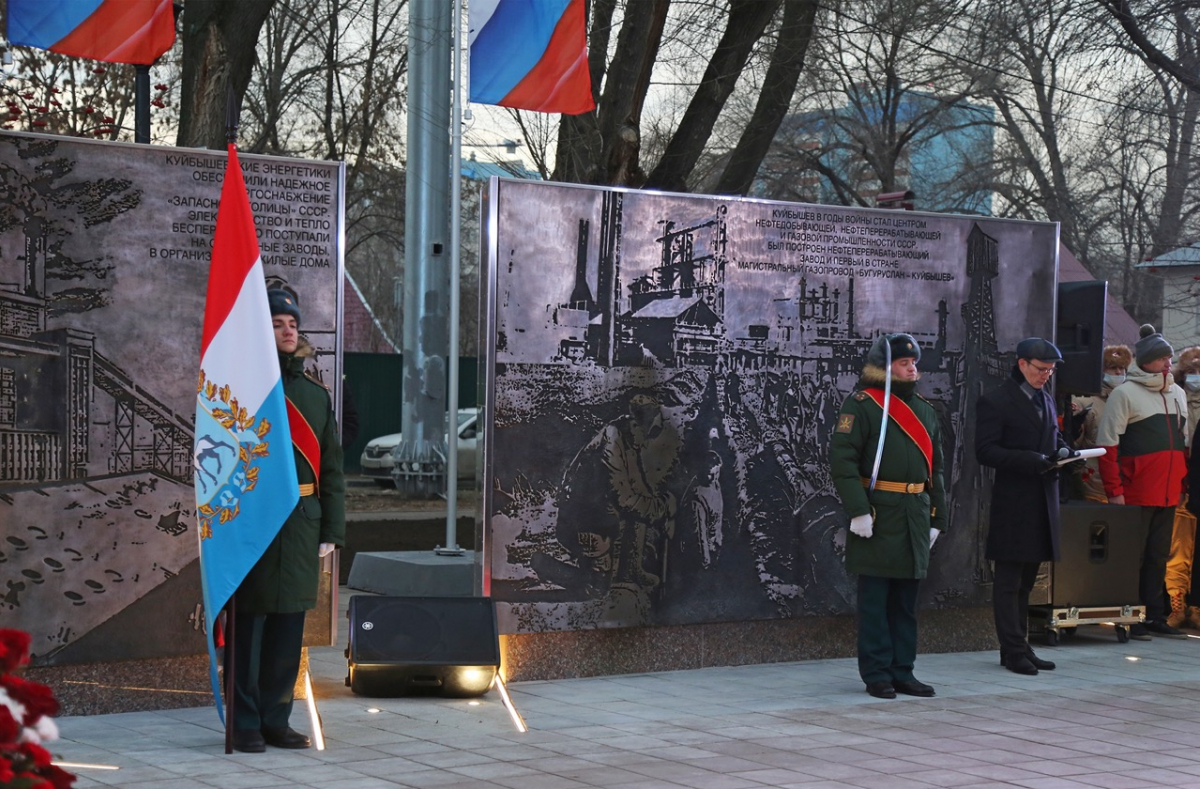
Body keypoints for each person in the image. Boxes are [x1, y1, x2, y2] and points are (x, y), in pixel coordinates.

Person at [231, 289, 346, 753]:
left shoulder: (314, 396)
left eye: (292, 323)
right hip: (255, 521)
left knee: (287, 630)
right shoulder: (241, 390)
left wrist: (331, 531)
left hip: (300, 521)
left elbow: (334, 469)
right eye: (277, 323)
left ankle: (276, 719)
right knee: (248, 626)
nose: (288, 330)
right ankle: (243, 723)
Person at [829, 333, 945, 699]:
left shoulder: (925, 410)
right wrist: (859, 510)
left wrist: (937, 517)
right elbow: (842, 462)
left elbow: (936, 469)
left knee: (906, 603)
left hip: (913, 514)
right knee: (876, 602)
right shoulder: (862, 406)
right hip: (880, 514)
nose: (913, 368)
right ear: (884, 368)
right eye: (904, 363)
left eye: (914, 363)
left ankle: (903, 670)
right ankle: (877, 672)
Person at [976, 337, 1068, 676]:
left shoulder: (1045, 398)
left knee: (1028, 581)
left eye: (1051, 370)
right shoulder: (996, 401)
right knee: (1009, 581)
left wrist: (1064, 451)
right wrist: (1026, 460)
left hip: (1042, 499)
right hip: (1014, 501)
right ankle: (1012, 649)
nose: (1046, 375)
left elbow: (1053, 437)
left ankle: (1020, 645)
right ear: (1022, 364)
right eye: (1041, 369)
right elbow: (985, 451)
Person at [1095, 324, 1188, 639]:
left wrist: (1182, 485)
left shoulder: (1178, 393)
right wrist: (1115, 492)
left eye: (1169, 358)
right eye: (1162, 358)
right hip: (1136, 491)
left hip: (1168, 492)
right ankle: (1130, 615)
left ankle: (1153, 616)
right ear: (1146, 361)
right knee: (1132, 557)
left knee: (1158, 556)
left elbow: (1183, 445)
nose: (1167, 363)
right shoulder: (1124, 394)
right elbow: (1107, 446)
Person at [1071, 345, 1132, 502]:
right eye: (1112, 368)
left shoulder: (1129, 401)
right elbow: (1073, 444)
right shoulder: (1083, 401)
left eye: (1122, 368)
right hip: (1092, 487)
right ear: (1102, 370)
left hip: (1123, 485)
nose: (1118, 373)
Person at [1167, 346, 1200, 628]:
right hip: (1180, 478)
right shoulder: (1174, 396)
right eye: (1191, 371)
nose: (1196, 377)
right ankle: (1175, 601)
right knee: (1178, 548)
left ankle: (1196, 605)